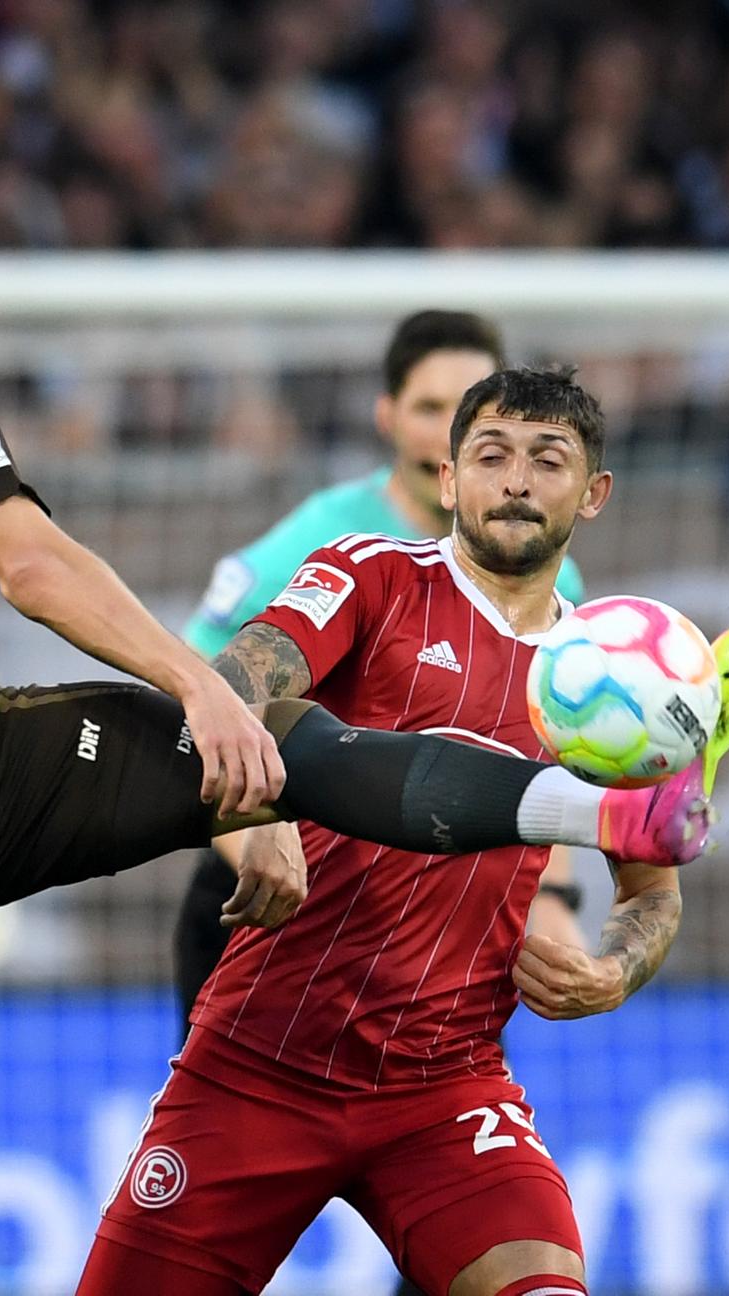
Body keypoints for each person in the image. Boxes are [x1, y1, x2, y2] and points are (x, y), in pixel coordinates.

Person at [0, 100, 718, 1295]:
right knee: (268, 743)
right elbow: (35, 569)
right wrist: (203, 693)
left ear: (593, 492)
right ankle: (606, 811)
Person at [76, 367, 729, 1296]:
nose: (516, 480)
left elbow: (654, 893)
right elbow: (241, 680)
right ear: (448, 479)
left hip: (448, 1084)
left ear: (593, 494)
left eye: (548, 461)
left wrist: (612, 971)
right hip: (258, 1060)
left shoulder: (635, 680)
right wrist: (253, 801)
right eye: (492, 456)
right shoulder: (370, 575)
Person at [177, 310, 587, 1035]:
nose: (447, 426)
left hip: (449, 925)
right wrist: (253, 832)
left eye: (471, 408)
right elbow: (204, 682)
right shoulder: (328, 541)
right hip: (286, 885)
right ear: (388, 418)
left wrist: (554, 903)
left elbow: (552, 763)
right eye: (432, 408)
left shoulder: (559, 587)